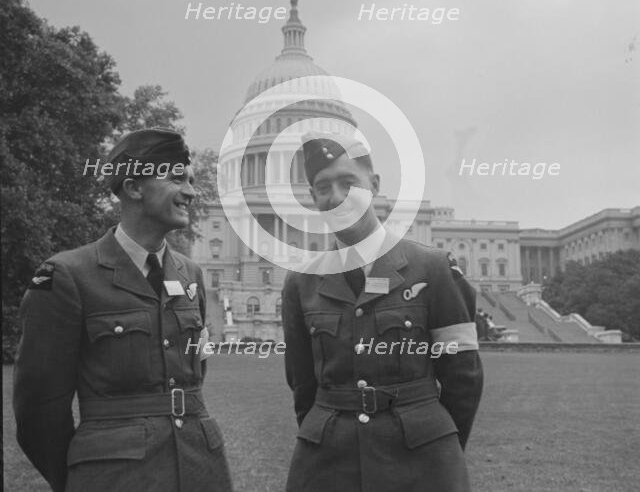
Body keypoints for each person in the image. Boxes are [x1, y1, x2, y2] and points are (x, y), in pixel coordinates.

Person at [13, 128, 232, 492]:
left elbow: (194, 373)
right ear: (133, 188)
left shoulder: (191, 274)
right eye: (177, 178)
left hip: (201, 469)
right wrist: (85, 475)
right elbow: (38, 408)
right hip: (113, 478)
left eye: (191, 180)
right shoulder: (67, 275)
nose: (191, 191)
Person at [281, 133, 483, 492]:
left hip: (421, 460)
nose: (337, 196)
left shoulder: (431, 268)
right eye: (323, 186)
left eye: (349, 182)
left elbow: (462, 378)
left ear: (373, 186)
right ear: (313, 198)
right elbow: (302, 385)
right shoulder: (301, 284)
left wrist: (439, 447)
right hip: (328, 463)